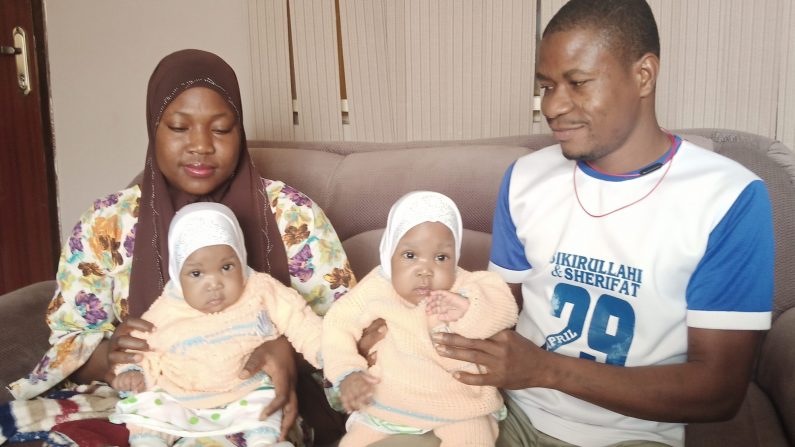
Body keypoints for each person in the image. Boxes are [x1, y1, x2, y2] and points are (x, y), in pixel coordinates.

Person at [370, 1, 775, 446]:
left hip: (631, 436)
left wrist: (547, 369)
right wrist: (402, 326)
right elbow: (496, 309)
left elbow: (719, 391)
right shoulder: (527, 177)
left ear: (643, 75)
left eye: (577, 83)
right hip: (508, 414)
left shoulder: (729, 196)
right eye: (546, 87)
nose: (554, 107)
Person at [6, 49, 353, 446]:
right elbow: (69, 339)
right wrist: (107, 357)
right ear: (154, 129)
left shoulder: (293, 215)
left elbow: (347, 328)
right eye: (178, 127)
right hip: (141, 403)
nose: (201, 145)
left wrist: (285, 354)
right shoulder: (107, 224)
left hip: (252, 403)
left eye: (221, 129)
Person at [110, 202, 323, 447]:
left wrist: (327, 352)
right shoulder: (167, 307)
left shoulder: (260, 289)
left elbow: (301, 320)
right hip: (180, 396)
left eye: (226, 267)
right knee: (146, 416)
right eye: (197, 274)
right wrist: (131, 373)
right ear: (177, 273)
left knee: (267, 416)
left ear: (241, 259)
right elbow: (138, 346)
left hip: (246, 391)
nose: (214, 283)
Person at [322, 191, 519, 447]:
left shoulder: (467, 285)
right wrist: (347, 372)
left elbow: (505, 309)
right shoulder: (378, 287)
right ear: (388, 254)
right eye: (410, 255)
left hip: (461, 408)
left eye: (441, 258)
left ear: (455, 258)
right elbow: (337, 324)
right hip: (385, 405)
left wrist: (469, 309)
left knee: (475, 439)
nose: (426, 270)